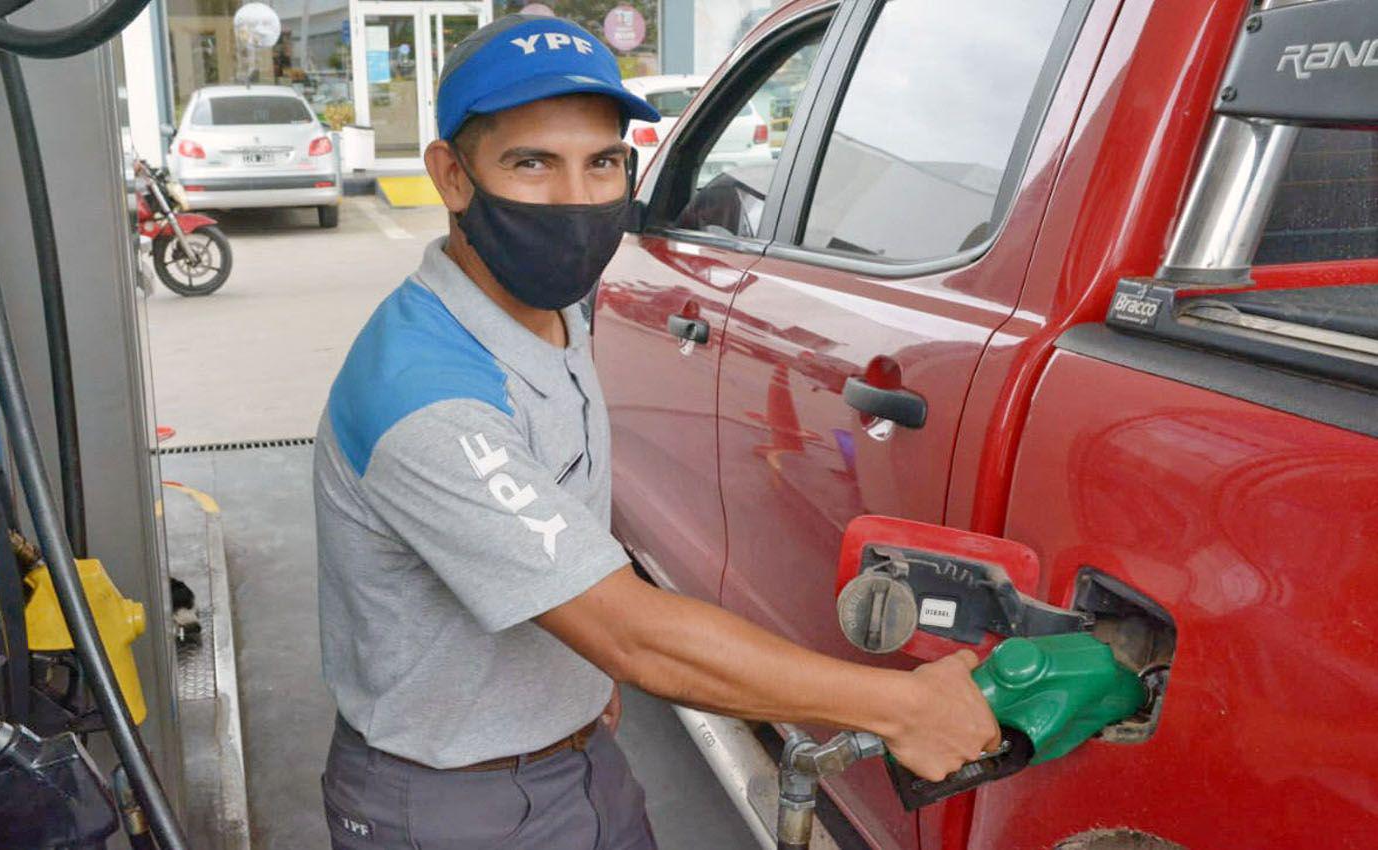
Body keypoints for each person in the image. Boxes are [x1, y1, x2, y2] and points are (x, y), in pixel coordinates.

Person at [313, 15, 999, 849]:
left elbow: (567, 521)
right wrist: (903, 706)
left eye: (602, 162)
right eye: (532, 164)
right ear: (452, 177)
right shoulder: (425, 397)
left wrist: (580, 672)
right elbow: (631, 631)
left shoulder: (550, 307)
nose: (577, 200)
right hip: (452, 804)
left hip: (579, 756)